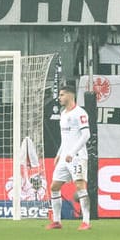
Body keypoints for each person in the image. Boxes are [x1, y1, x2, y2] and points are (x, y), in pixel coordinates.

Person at [47, 86, 91, 231]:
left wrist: (72, 153)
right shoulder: (64, 113)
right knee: (54, 187)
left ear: (70, 96)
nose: (59, 97)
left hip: (76, 157)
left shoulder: (80, 113)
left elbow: (86, 135)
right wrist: (59, 153)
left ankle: (86, 221)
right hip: (64, 157)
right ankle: (57, 221)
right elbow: (65, 138)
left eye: (62, 95)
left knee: (80, 186)